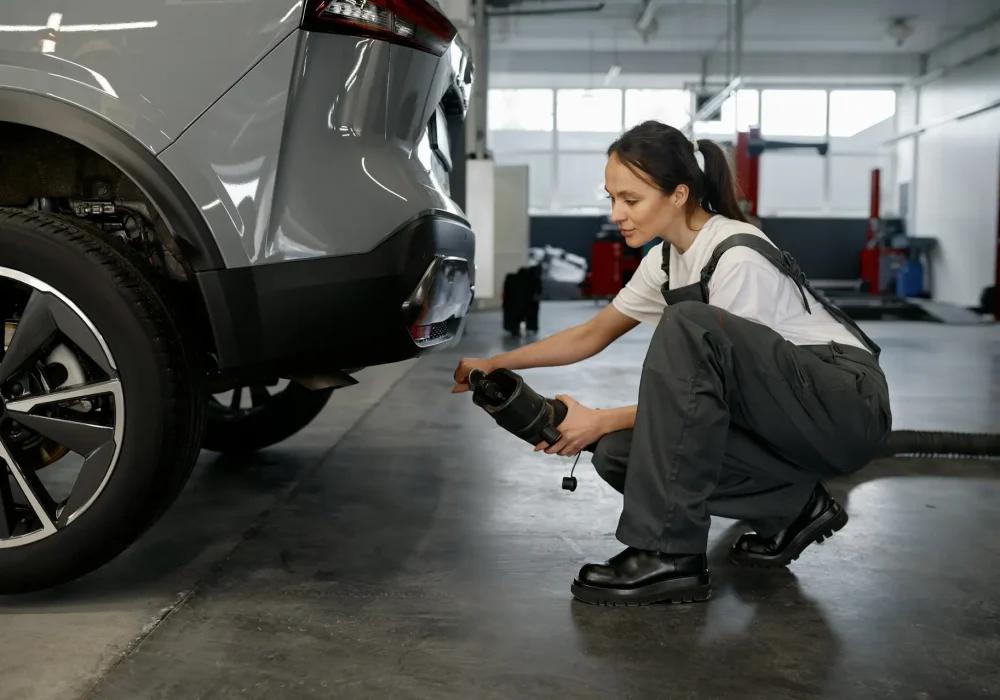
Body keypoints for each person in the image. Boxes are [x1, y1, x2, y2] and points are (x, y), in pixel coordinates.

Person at [452, 120, 892, 607]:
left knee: (687, 325)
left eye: (631, 199)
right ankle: (795, 507)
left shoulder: (736, 256)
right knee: (620, 452)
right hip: (788, 412)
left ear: (679, 194)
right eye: (612, 198)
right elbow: (592, 334)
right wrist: (496, 362)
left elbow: (713, 401)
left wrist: (598, 419)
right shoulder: (666, 260)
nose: (617, 214)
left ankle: (670, 556)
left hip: (843, 405)